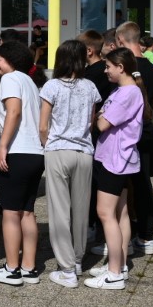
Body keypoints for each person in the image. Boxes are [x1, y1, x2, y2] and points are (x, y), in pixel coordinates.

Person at [38, 40, 102, 288]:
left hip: (58, 150)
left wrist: (47, 144)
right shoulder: (90, 86)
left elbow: (43, 126)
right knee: (80, 209)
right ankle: (76, 260)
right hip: (84, 151)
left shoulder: (51, 86)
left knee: (59, 211)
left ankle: (66, 269)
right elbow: (91, 121)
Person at [84, 47, 148, 291]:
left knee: (105, 213)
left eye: (108, 66)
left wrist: (99, 114)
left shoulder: (127, 93)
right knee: (120, 213)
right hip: (114, 157)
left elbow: (102, 123)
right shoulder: (123, 91)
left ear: (121, 68)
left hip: (115, 160)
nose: (105, 70)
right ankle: (118, 264)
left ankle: (114, 274)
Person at [0, 40, 45, 287]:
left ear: (10, 60)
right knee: (27, 212)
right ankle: (29, 267)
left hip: (16, 152)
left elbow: (14, 112)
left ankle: (11, 268)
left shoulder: (10, 79)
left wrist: (2, 146)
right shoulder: (29, 81)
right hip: (35, 153)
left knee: (10, 213)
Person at [115, 22, 153, 257]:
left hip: (126, 134)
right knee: (142, 184)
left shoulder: (123, 67)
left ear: (121, 40)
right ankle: (145, 234)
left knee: (122, 186)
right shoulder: (151, 68)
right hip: (146, 130)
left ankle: (123, 237)